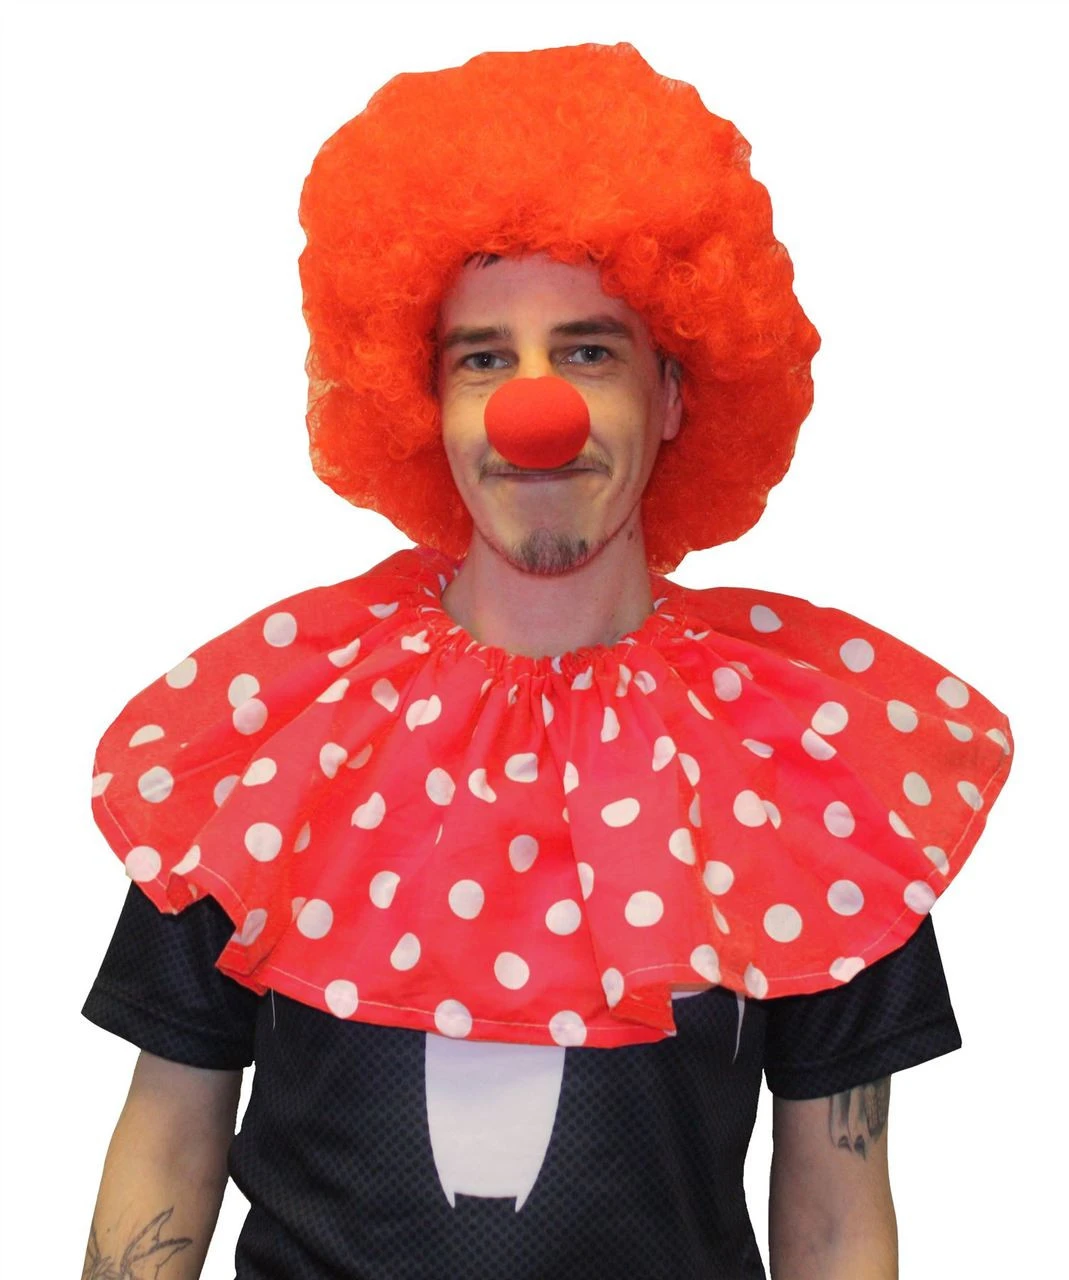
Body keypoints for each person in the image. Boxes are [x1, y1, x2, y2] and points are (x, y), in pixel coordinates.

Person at [80, 43, 1014, 1279]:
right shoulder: (287, 718)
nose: (537, 412)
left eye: (587, 351)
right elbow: (167, 1133)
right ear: (424, 402)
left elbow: (838, 1215)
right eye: (484, 357)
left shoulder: (797, 759)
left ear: (672, 395)